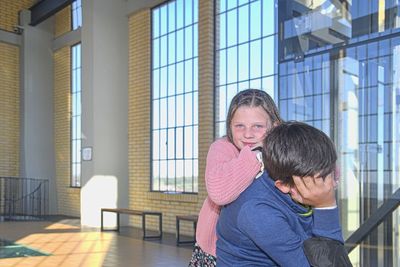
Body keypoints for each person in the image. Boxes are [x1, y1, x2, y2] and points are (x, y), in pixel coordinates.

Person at [216, 121, 346, 267]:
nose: (332, 185)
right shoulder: (259, 213)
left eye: (331, 174)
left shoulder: (288, 178)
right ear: (283, 185)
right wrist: (326, 206)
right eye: (320, 180)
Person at [188, 89, 283, 266]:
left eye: (258, 126)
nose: (248, 134)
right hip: (216, 252)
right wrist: (255, 153)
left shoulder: (282, 151)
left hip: (264, 252)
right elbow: (219, 192)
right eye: (239, 126)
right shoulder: (222, 148)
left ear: (274, 126)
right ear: (230, 126)